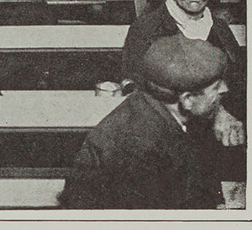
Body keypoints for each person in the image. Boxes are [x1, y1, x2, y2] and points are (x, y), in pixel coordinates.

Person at [61, 35, 232, 209]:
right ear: (187, 99)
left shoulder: (156, 107)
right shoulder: (138, 148)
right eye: (216, 87)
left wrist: (218, 111)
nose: (225, 89)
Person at [122, 0, 245, 146]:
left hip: (224, 142)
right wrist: (216, 112)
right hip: (168, 144)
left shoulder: (220, 29)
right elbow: (139, 96)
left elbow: (240, 86)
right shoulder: (145, 29)